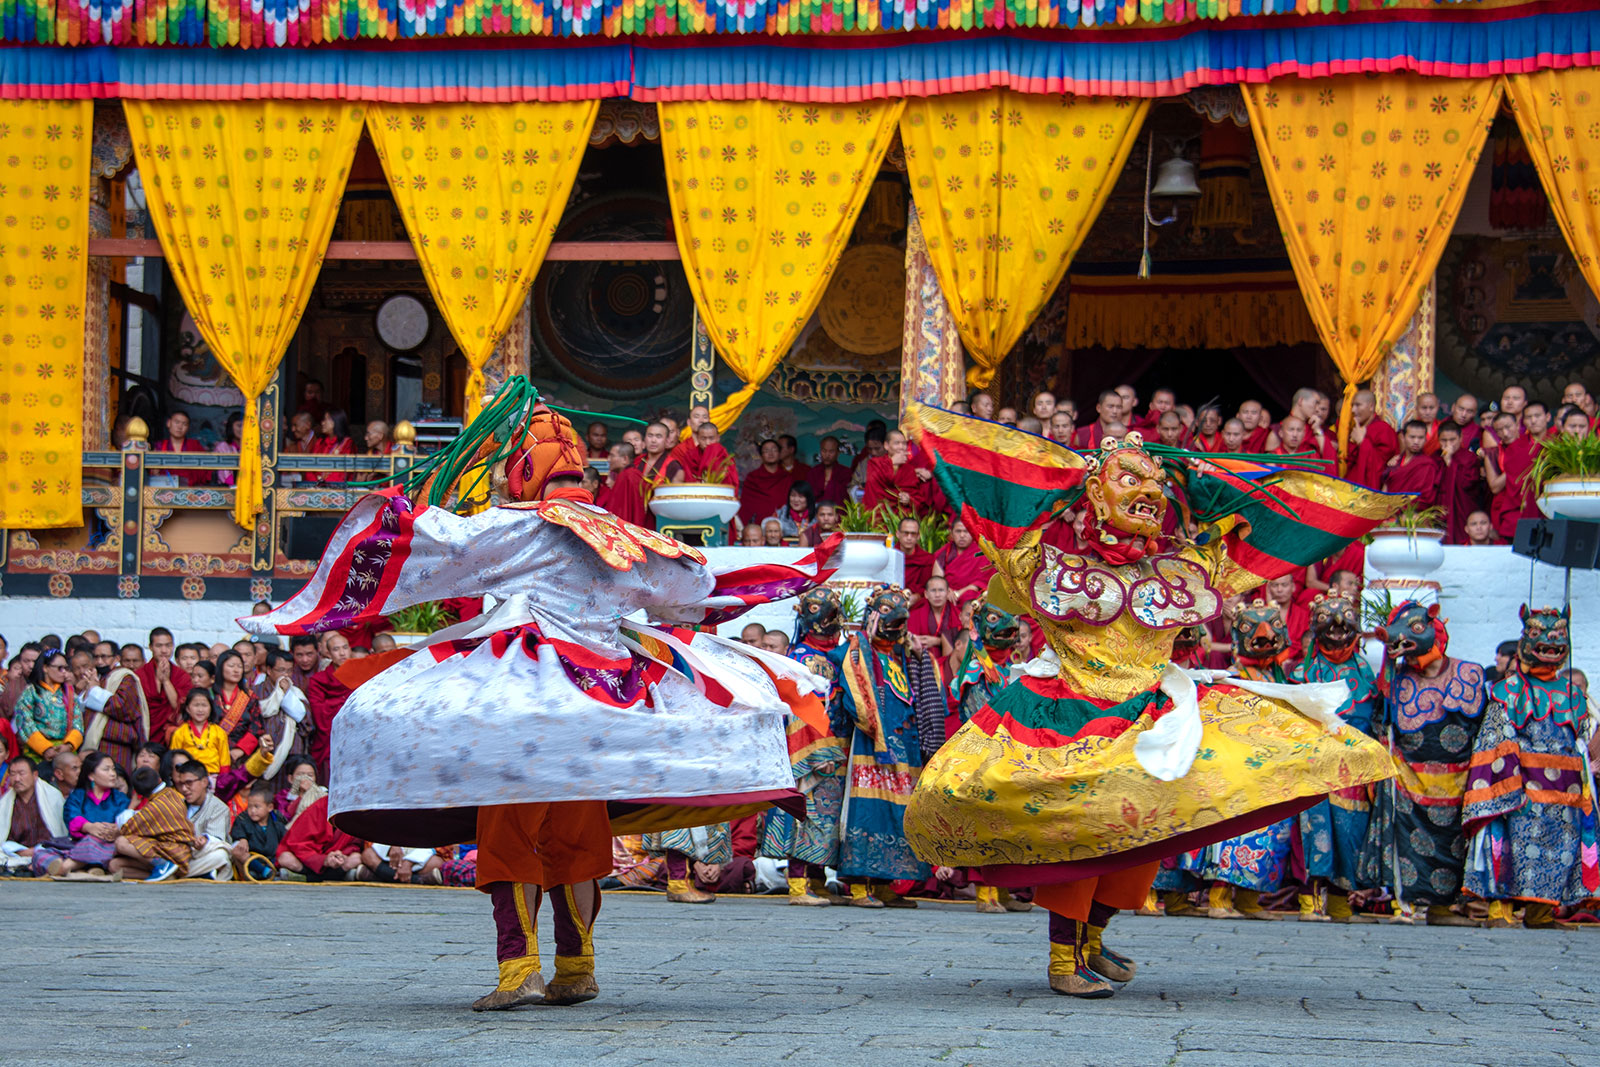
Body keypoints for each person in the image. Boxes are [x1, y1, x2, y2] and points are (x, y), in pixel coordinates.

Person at [242, 381, 835, 1012]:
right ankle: (577, 966)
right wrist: (795, 567)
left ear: (528, 474)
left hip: (523, 709)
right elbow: (693, 583)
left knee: (510, 835)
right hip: (598, 710)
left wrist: (397, 512)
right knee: (578, 842)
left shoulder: (522, 527)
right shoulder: (623, 533)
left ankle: (519, 969)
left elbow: (446, 550)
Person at [900, 407, 1400, 998]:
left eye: (1157, 484)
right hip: (1067, 717)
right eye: (1131, 479)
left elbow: (1269, 538)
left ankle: (1092, 939)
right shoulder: (1049, 567)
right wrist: (1052, 478)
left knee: (1143, 838)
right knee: (1079, 833)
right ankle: (1065, 959)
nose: (1149, 493)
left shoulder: (1185, 567)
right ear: (1094, 492)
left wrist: (1215, 493)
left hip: (1150, 714)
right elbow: (1002, 519)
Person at [1463, 605, 1596, 928]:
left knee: (1560, 851)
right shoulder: (1508, 690)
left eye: (1559, 636)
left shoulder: (1573, 694)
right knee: (1509, 846)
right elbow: (1494, 738)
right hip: (1520, 787)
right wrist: (1508, 782)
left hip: (1565, 791)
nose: (1551, 642)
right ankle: (1498, 911)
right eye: (1538, 635)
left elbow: (1580, 739)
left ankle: (1540, 913)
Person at [1356, 601, 1485, 926]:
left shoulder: (1469, 674)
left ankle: (1444, 908)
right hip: (1408, 782)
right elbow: (1379, 724)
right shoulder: (1395, 681)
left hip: (1458, 782)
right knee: (1407, 847)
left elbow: (1483, 730)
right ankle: (1407, 907)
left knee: (1454, 848)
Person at [830, 586, 947, 909]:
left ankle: (883, 884)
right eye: (890, 621)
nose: (895, 629)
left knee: (898, 814)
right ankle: (857, 885)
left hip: (905, 749)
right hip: (872, 747)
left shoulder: (904, 655)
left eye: (900, 623)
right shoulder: (858, 651)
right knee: (868, 813)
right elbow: (841, 670)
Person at [1289, 594, 1382, 922]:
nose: (1338, 625)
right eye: (1328, 618)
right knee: (1314, 834)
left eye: (1345, 618)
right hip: (1314, 768)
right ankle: (1309, 902)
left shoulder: (1367, 674)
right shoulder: (1302, 672)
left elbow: (1377, 718)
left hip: (1353, 771)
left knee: (1349, 833)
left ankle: (1343, 904)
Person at [757, 589, 850, 907]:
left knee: (826, 818)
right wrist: (818, 751)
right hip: (810, 751)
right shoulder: (801, 658)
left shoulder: (832, 657)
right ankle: (798, 882)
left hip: (835, 747)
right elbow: (801, 709)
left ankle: (817, 877)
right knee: (806, 816)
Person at [36, 751, 129, 877]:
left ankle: (66, 867)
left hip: (106, 846)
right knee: (40, 852)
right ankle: (88, 867)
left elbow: (125, 820)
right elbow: (71, 815)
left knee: (93, 841)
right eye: (106, 770)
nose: (113, 774)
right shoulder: (78, 796)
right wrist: (88, 827)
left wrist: (115, 829)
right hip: (77, 844)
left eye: (113, 769)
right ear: (91, 775)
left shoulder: (119, 799)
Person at [109, 766, 193, 882]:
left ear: (140, 794)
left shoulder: (155, 807)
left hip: (176, 852)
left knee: (122, 842)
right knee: (115, 865)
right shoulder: (171, 793)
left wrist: (132, 804)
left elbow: (125, 827)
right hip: (164, 849)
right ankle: (166, 875)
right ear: (159, 779)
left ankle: (162, 864)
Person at [13, 649, 83, 765]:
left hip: (65, 751)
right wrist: (45, 748)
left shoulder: (69, 693)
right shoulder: (31, 692)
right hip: (37, 751)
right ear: (45, 668)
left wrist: (69, 745)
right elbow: (25, 722)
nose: (64, 673)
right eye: (60, 668)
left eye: (66, 668)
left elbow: (78, 722)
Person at [1, 756, 67, 872]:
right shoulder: (5, 802)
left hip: (46, 849)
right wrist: (21, 852)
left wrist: (35, 851)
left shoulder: (52, 796)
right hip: (16, 852)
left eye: (21, 773)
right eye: (12, 774)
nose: (17, 779)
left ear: (35, 775)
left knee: (58, 854)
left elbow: (60, 834)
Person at [173, 759, 234, 880]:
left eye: (189, 783)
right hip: (178, 856)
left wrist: (205, 841)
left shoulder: (219, 808)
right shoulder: (177, 805)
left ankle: (175, 874)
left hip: (200, 857)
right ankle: (182, 873)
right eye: (181, 784)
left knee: (220, 856)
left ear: (204, 782)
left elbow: (217, 841)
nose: (184, 789)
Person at [306, 634, 353, 782]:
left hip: (356, 737)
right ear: (328, 653)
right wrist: (344, 701)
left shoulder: (362, 675)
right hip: (329, 740)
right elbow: (319, 713)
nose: (342, 653)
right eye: (336, 649)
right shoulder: (319, 681)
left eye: (345, 648)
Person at [137, 627, 192, 743]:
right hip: (145, 732)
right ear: (150, 647)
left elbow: (180, 706)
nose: (164, 650)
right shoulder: (139, 675)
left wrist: (166, 681)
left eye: (168, 645)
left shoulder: (182, 676)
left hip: (172, 736)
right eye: (159, 646)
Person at [1437, 423, 1486, 545]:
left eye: (1452, 440)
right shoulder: (1435, 458)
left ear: (1460, 438)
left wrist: (1449, 462)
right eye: (1444, 440)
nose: (1448, 444)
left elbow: (1467, 484)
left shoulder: (1469, 458)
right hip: (1442, 510)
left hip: (1463, 510)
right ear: (1438, 440)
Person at [230, 781, 289, 880]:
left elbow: (285, 839)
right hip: (252, 860)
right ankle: (262, 870)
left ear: (269, 807)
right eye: (250, 807)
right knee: (236, 850)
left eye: (257, 807)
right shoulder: (243, 819)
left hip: (272, 859)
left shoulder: (277, 819)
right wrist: (242, 839)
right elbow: (237, 832)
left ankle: (273, 872)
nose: (252, 811)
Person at [1382, 420, 1444, 508]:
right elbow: (1385, 488)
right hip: (1389, 513)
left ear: (1425, 439)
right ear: (1403, 437)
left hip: (1412, 517)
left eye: (1420, 438)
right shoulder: (1395, 462)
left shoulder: (1427, 465)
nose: (1416, 441)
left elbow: (1426, 498)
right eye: (1412, 437)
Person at [168, 689, 231, 775]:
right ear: (187, 709)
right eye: (196, 705)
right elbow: (174, 759)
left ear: (211, 708)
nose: (200, 710)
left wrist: (223, 782)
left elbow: (225, 761)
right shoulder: (180, 732)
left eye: (204, 705)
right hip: (188, 776)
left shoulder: (219, 732)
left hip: (213, 776)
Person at [932, 518, 994, 605]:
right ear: (952, 533)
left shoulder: (981, 553)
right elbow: (936, 579)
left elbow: (979, 584)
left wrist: (958, 593)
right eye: (958, 531)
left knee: (970, 595)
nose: (962, 535)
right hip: (946, 595)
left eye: (966, 531)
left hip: (970, 597)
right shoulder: (944, 552)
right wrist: (946, 590)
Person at [1346, 389, 1399, 489]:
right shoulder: (1356, 430)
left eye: (1358, 405)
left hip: (1370, 491)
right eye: (1352, 406)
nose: (1353, 410)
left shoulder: (1383, 430)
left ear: (1371, 407)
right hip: (1350, 486)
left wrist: (1363, 442)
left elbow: (1380, 467)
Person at [739, 439, 793, 530]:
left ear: (779, 454)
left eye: (774, 450)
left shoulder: (786, 477)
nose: (770, 453)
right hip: (757, 526)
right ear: (761, 455)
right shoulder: (753, 478)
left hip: (781, 526)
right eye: (766, 451)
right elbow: (746, 505)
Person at [908, 575, 961, 663]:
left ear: (948, 593)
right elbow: (908, 639)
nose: (937, 595)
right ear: (926, 594)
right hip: (922, 662)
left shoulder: (957, 614)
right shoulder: (915, 615)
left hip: (950, 665)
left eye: (941, 590)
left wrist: (939, 641)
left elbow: (962, 642)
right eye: (933, 591)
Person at [596, 443, 651, 527]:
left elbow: (619, 511)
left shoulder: (626, 476)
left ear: (625, 459)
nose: (608, 459)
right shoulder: (632, 474)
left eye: (612, 456)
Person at [152, 410, 209, 487]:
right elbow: (154, 473)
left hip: (191, 491)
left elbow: (205, 472)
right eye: (177, 422)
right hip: (166, 490)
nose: (180, 427)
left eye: (184, 424)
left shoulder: (194, 445)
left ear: (188, 428)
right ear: (168, 423)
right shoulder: (160, 446)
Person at [806, 435, 851, 506]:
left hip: (837, 512)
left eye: (831, 451)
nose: (827, 455)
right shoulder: (813, 472)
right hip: (816, 512)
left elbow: (845, 497)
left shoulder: (845, 472)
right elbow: (809, 495)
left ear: (838, 453)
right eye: (824, 451)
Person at [314, 409, 356, 484]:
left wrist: (326, 484)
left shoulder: (347, 443)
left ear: (337, 421)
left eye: (327, 419)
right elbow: (311, 466)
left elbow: (345, 471)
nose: (323, 423)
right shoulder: (320, 442)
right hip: (316, 486)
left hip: (338, 488)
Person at [215, 412, 245, 486]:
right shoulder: (223, 447)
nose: (243, 429)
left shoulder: (253, 447)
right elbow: (224, 475)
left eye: (246, 426)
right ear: (231, 427)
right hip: (227, 488)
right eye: (239, 425)